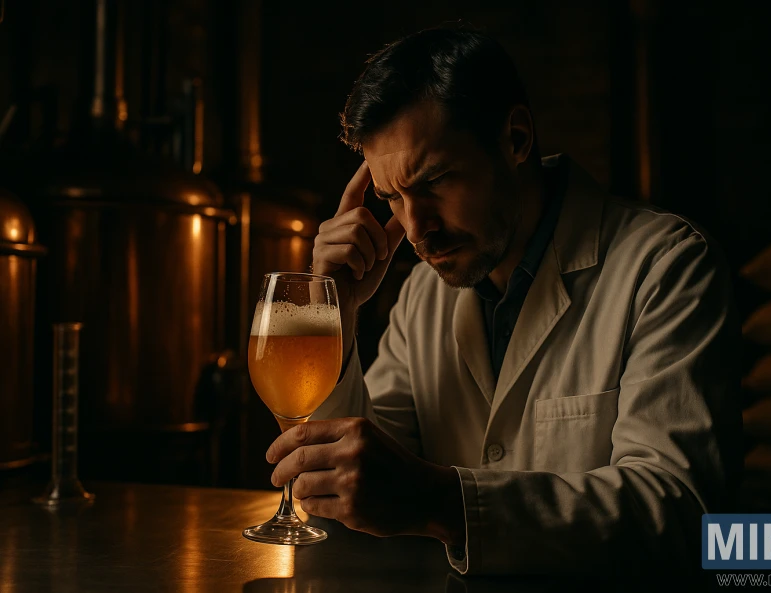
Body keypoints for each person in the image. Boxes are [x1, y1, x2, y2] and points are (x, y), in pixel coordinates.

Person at [263, 27, 743, 578]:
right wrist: (332, 312)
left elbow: (681, 511)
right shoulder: (422, 295)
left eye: (436, 180)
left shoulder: (666, 267)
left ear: (515, 139)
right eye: (392, 196)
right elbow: (360, 489)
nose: (417, 229)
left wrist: (445, 503)